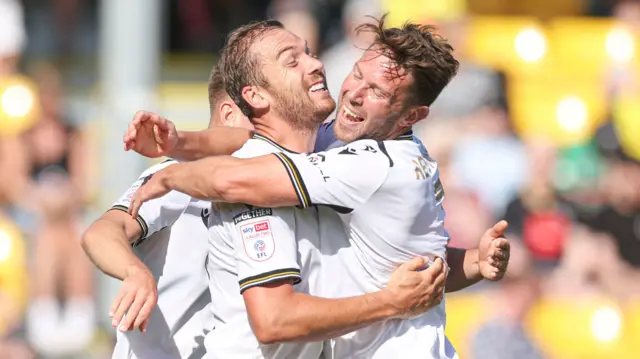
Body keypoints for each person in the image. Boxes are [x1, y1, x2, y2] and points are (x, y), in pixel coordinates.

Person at [126, 16, 510, 359]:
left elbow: (236, 178)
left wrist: (169, 175)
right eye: (357, 74)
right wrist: (179, 144)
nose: (354, 93)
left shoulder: (375, 165)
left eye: (377, 92)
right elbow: (246, 141)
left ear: (412, 116)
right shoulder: (349, 142)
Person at [81, 65, 254, 359]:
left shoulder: (277, 185)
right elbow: (102, 233)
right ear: (229, 114)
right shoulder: (176, 177)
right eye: (267, 119)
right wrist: (135, 272)